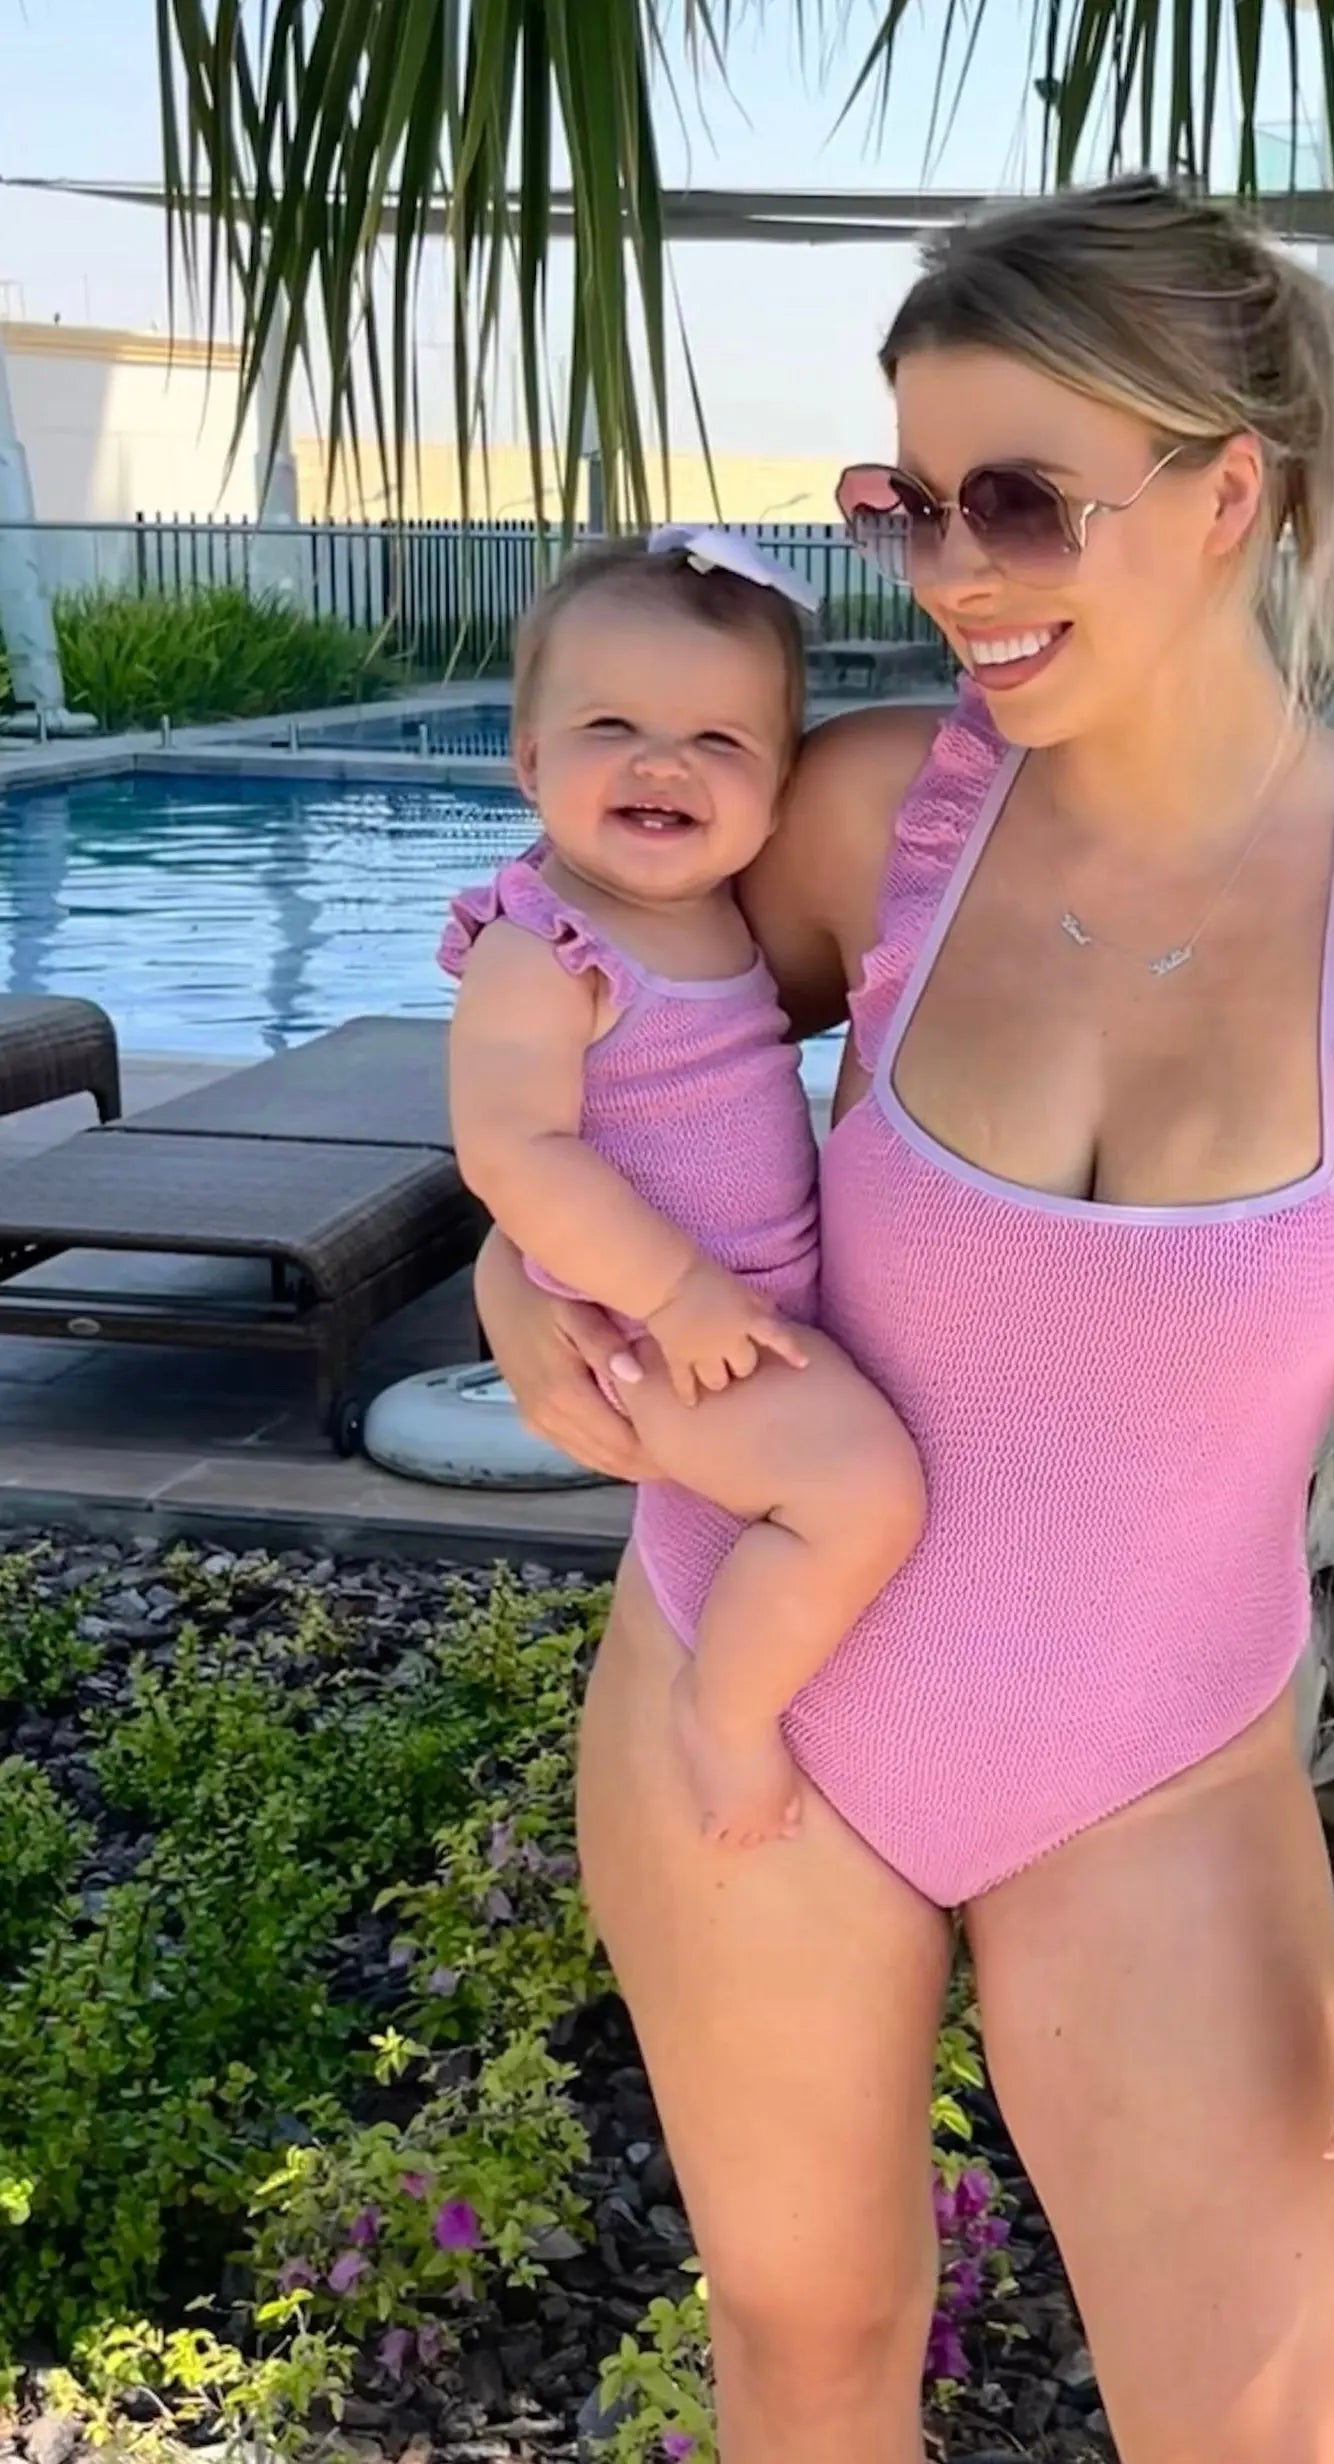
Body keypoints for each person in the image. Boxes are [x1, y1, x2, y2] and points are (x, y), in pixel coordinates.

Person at [476, 174, 1334, 2463]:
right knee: (808, 2355)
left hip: (1154, 1765)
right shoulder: (872, 820)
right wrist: (521, 1275)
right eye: (908, 505)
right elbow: (598, 1031)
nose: (952, 577)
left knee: (1262, 2428)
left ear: (1228, 495)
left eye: (1019, 502)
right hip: (748, 1699)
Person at [442, 531, 924, 1847]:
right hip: (659, 1331)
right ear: (528, 759)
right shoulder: (545, 949)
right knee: (862, 1496)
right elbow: (511, 1149)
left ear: (777, 792)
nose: (663, 764)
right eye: (612, 727)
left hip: (726, 1310)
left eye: (718, 741)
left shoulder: (712, 911)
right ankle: (727, 1712)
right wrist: (675, 1293)